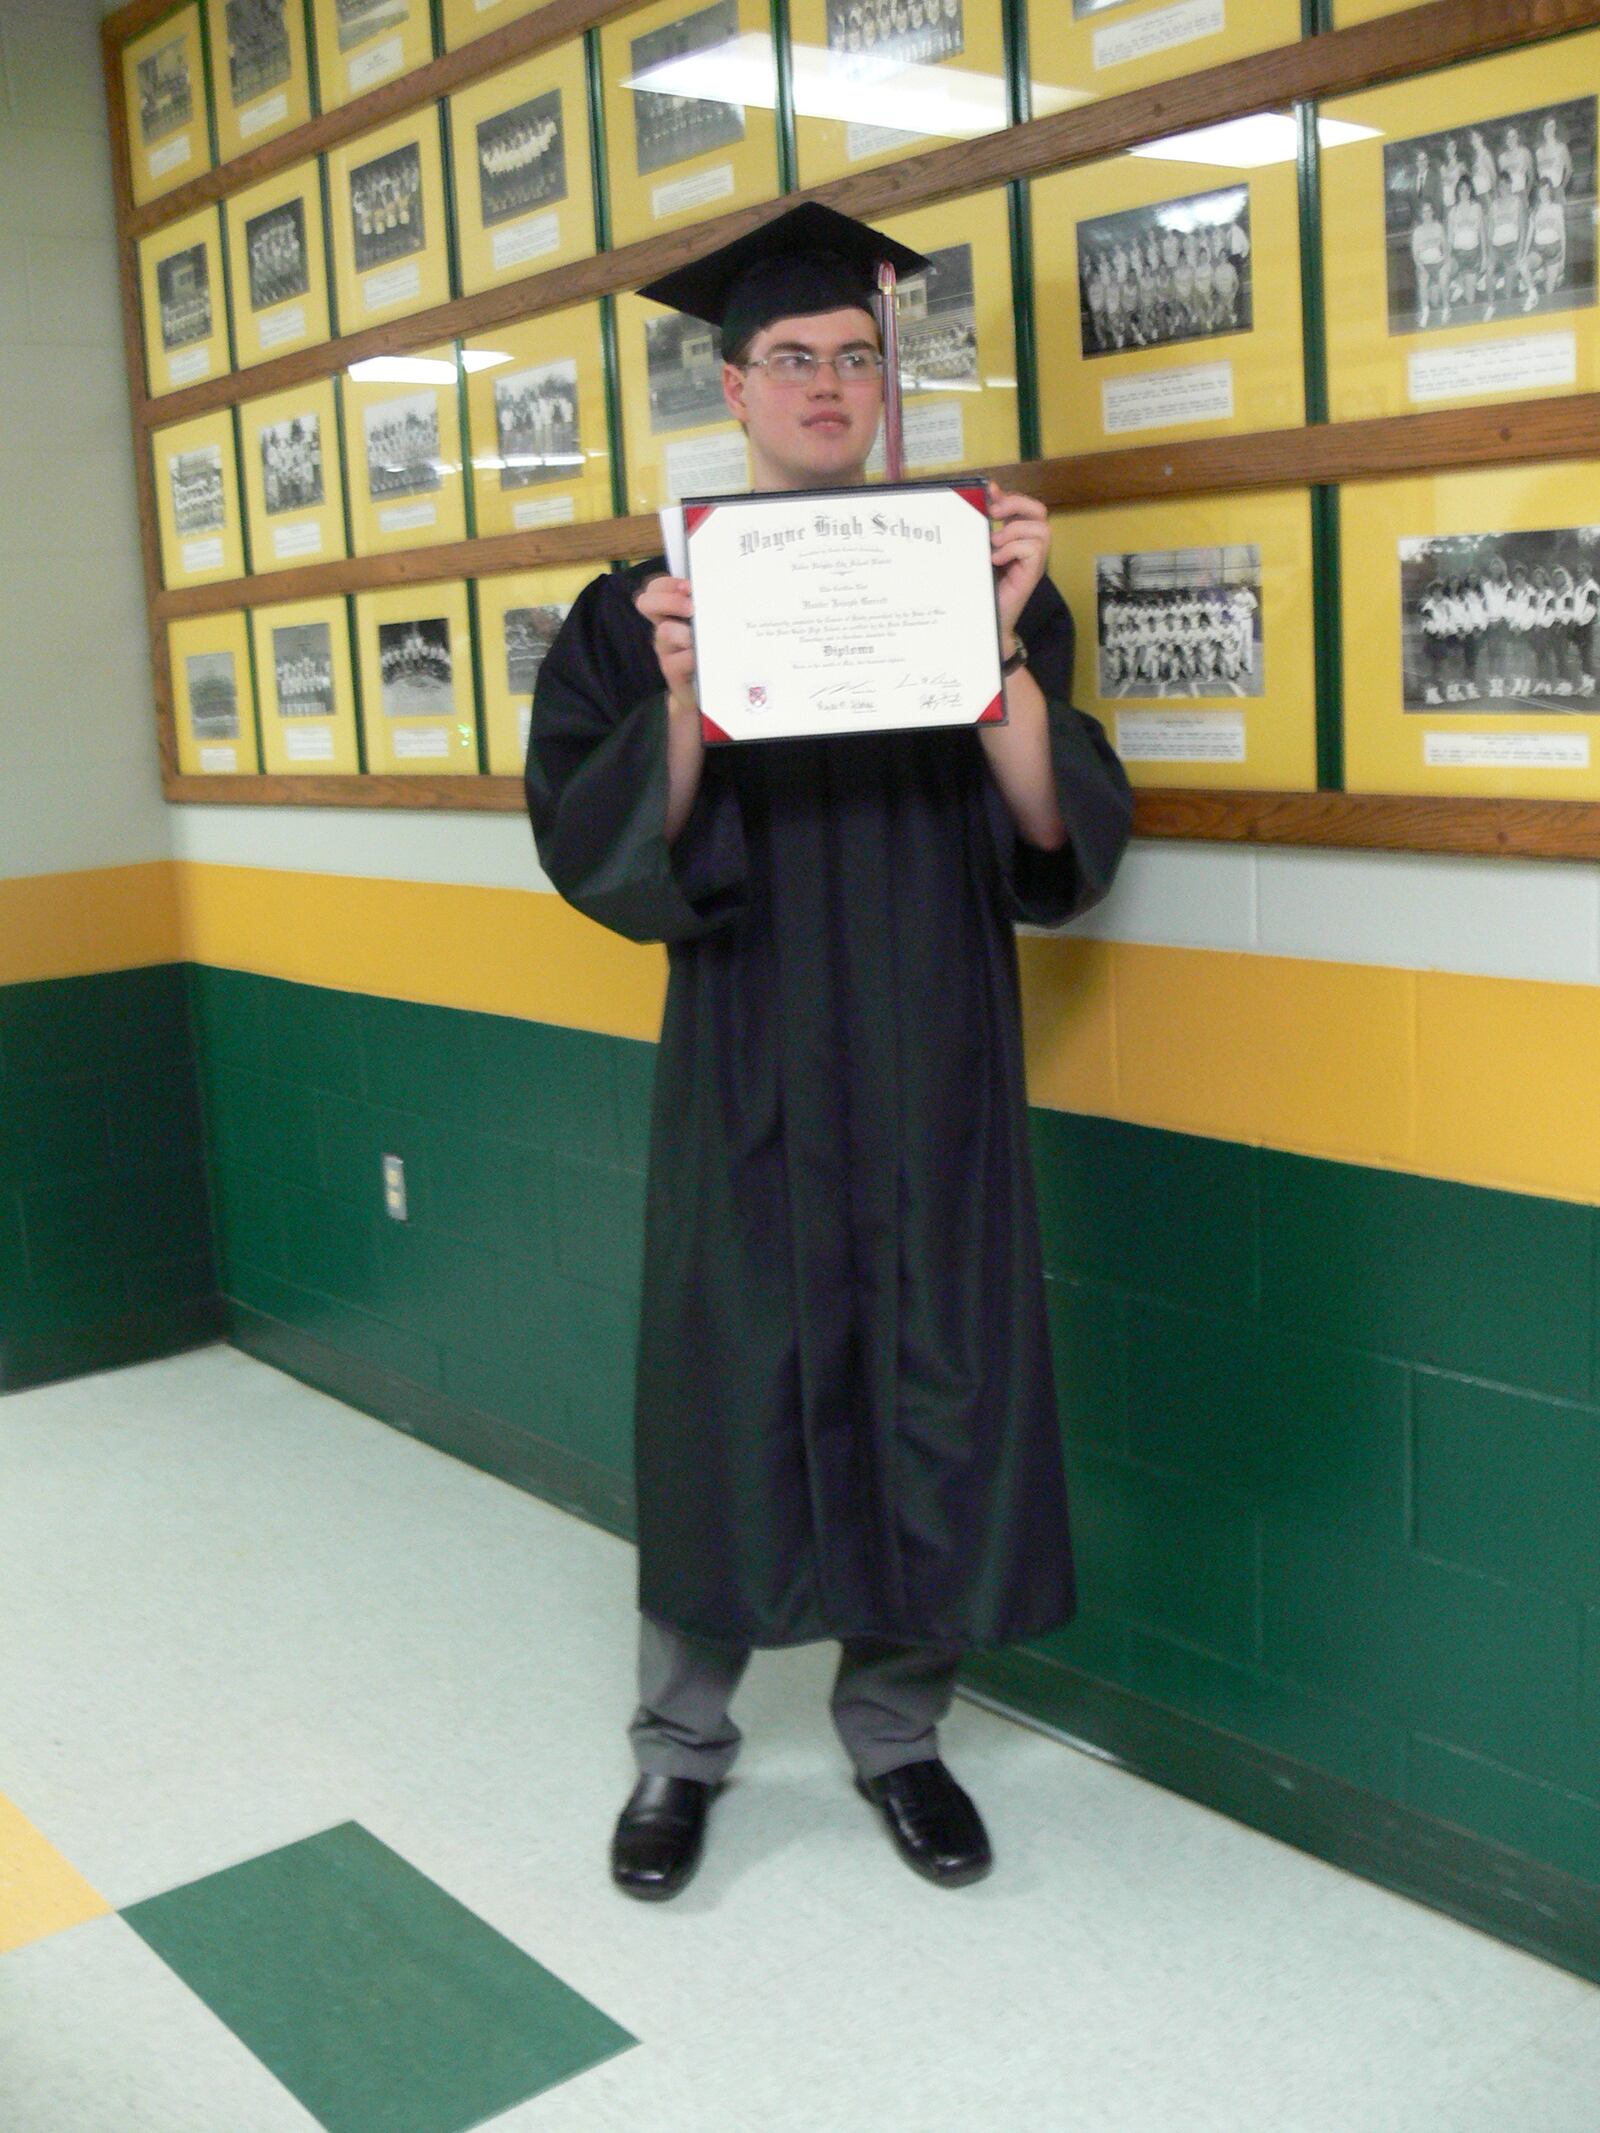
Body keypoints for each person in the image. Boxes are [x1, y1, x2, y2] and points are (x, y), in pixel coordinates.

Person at [524, 203, 1132, 1902]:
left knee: (937, 1384)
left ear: (885, 383)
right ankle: (679, 1753)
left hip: (936, 1049)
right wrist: (685, 697)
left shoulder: (969, 568)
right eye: (791, 357)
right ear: (731, 387)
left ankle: (896, 1735)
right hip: (751, 1054)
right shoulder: (633, 606)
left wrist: (1002, 639)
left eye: (855, 357)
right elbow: (596, 844)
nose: (827, 383)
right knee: (727, 1381)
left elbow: (1056, 831)